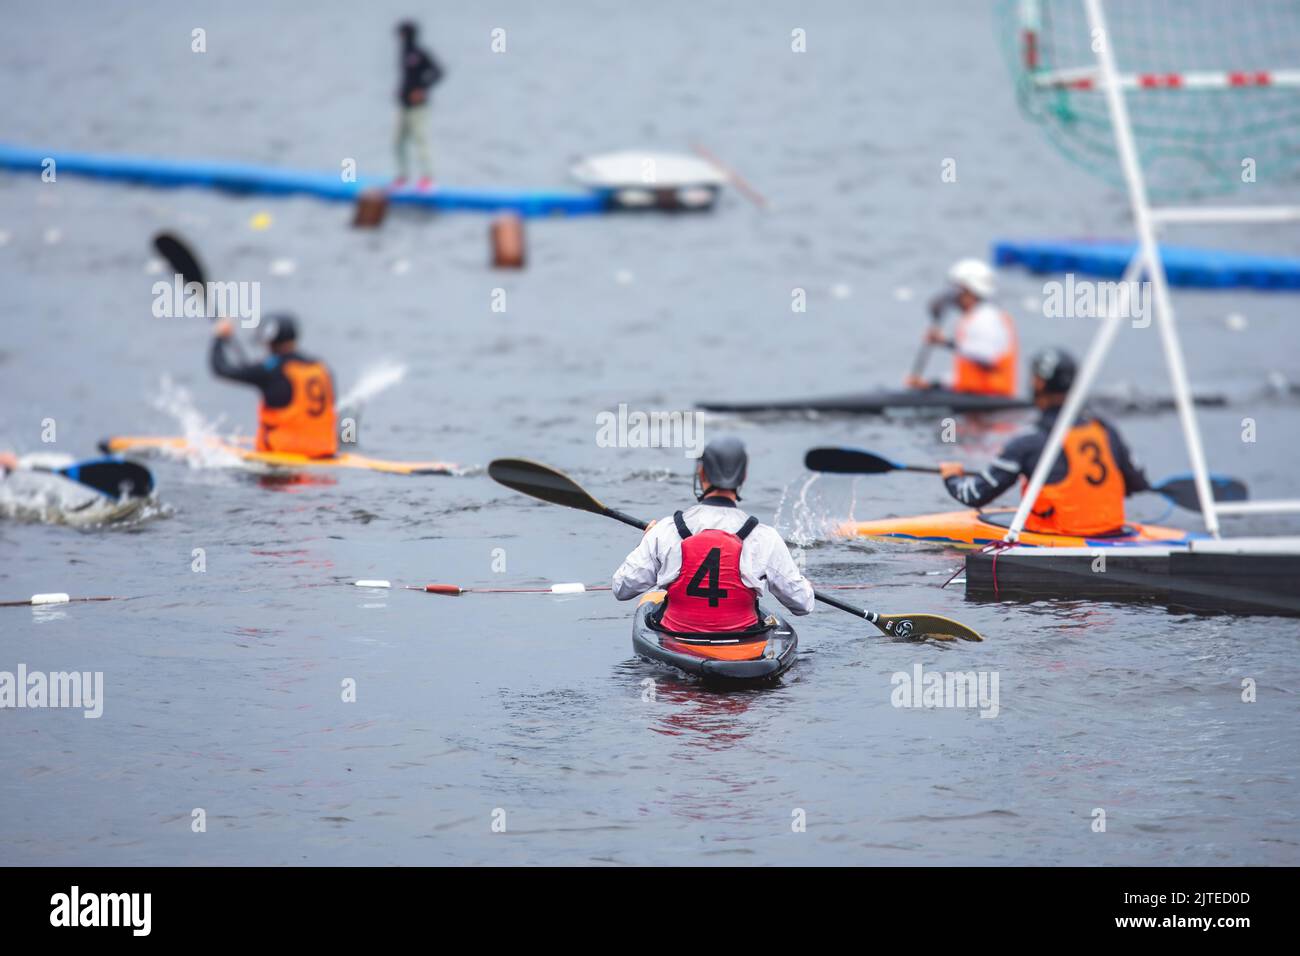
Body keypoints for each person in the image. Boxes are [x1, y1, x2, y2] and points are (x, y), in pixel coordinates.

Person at [939, 348, 1150, 536]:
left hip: (1060, 537)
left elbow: (974, 495)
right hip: (1112, 534)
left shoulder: (1030, 441)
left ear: (1039, 383)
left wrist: (951, 476)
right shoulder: (1104, 429)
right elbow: (1138, 483)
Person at [612, 436, 814, 632]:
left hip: (677, 637)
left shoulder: (666, 530)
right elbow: (803, 604)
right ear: (743, 476)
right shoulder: (765, 537)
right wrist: (802, 584)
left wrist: (645, 541)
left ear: (701, 472)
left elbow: (622, 588)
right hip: (743, 642)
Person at [211, 314, 338, 458]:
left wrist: (219, 338)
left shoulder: (272, 371)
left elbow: (222, 369)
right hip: (324, 450)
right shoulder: (320, 367)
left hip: (283, 453)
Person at [906, 258, 1018, 397]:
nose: (953, 297)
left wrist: (946, 342)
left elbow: (987, 357)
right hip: (974, 396)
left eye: (957, 290)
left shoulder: (987, 317)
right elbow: (967, 374)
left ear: (970, 290)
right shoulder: (972, 318)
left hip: (991, 398)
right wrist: (933, 385)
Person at [394, 20, 443, 190]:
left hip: (418, 107)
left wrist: (422, 89)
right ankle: (402, 178)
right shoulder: (404, 53)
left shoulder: (420, 53)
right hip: (404, 106)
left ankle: (428, 179)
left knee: (420, 141)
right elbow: (408, 78)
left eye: (401, 34)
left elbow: (439, 72)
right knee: (398, 142)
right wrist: (401, 92)